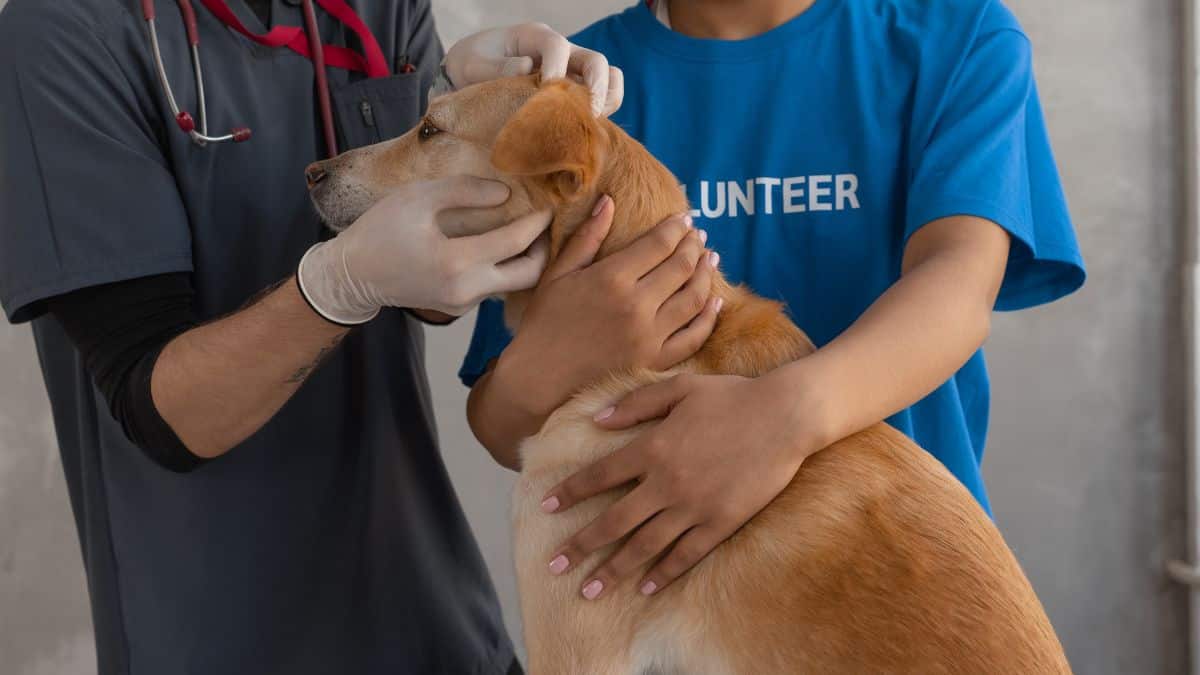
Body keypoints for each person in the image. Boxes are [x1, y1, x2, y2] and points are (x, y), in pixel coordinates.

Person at [0, 1, 709, 673]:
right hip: (221, 630)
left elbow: (432, 297)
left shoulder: (380, 6)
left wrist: (459, 110)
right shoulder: (62, 33)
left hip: (432, 619)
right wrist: (336, 285)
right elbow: (164, 412)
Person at [462, 0, 1086, 603]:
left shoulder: (957, 35)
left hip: (900, 584)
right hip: (666, 608)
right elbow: (501, 425)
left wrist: (781, 418)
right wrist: (549, 358)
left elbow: (959, 283)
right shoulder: (581, 91)